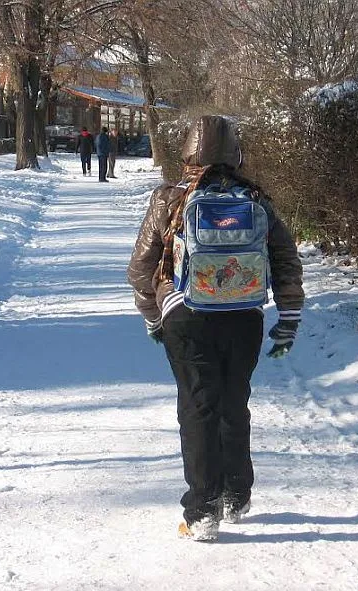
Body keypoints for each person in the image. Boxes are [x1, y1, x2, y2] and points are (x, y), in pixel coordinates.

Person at [127, 115, 304, 542]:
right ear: (236, 154)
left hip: (185, 317)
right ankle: (236, 495)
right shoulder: (256, 200)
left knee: (198, 406)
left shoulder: (170, 199)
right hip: (245, 317)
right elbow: (286, 264)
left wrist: (153, 318)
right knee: (233, 401)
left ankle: (202, 510)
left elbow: (139, 270)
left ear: (188, 153)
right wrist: (289, 321)